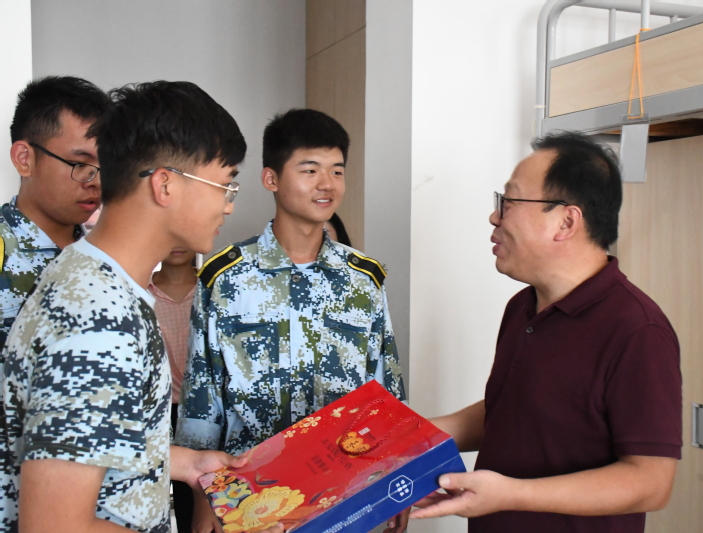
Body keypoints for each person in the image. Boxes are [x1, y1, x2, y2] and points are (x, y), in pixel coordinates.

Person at [0, 81, 282, 533]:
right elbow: (55, 526)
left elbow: (85, 440)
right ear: (165, 184)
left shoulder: (95, 280)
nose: (228, 207)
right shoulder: (98, 318)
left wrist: (186, 463)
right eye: (224, 185)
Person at [411, 131, 682, 532]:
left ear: (566, 221)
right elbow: (514, 411)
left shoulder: (637, 329)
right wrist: (407, 439)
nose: (494, 217)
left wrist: (512, 494)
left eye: (509, 202)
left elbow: (651, 483)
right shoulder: (522, 306)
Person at [176, 108, 407, 533]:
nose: (327, 184)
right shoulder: (226, 278)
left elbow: (386, 389)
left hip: (345, 489)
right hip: (248, 494)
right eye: (310, 170)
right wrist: (201, 494)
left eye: (337, 171)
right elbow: (202, 395)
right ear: (271, 179)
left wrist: (399, 475)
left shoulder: (364, 279)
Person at [0, 75, 108, 530]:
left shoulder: (104, 262)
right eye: (80, 164)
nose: (95, 182)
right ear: (25, 158)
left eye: (105, 166)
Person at [148, 247, 199, 532]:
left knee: (199, 498)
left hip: (204, 410)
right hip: (157, 411)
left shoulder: (214, 287)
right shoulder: (140, 290)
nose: (177, 245)